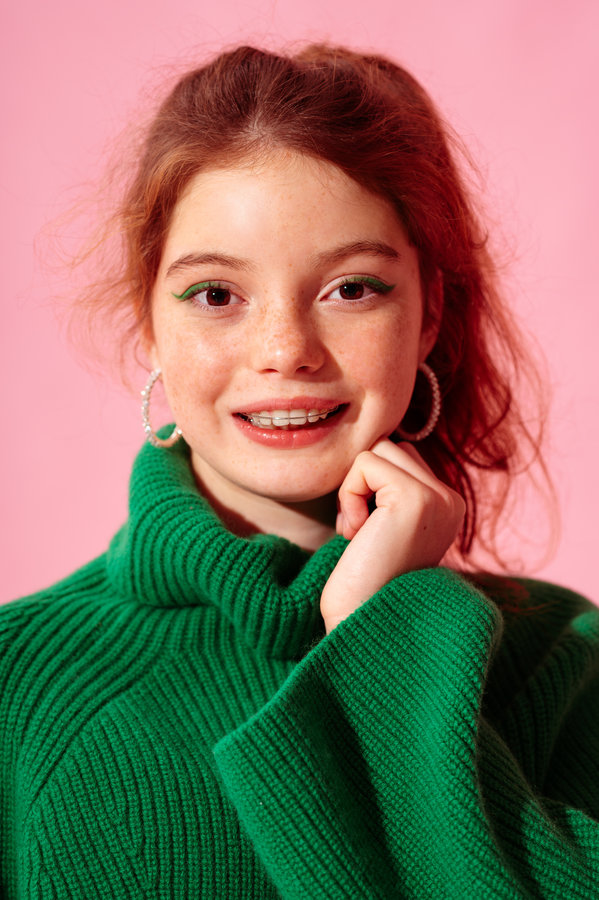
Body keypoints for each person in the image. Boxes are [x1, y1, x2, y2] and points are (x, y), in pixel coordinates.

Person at [1, 43, 598, 899]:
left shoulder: (560, 661)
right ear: (147, 319)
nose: (285, 352)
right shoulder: (19, 679)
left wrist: (381, 636)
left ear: (428, 312)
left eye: (352, 289)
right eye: (216, 295)